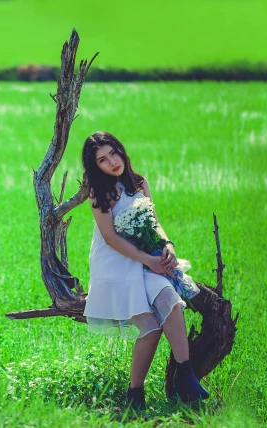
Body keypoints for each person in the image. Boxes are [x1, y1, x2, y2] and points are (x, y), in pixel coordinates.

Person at [80, 131, 210, 412]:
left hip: (144, 261)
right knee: (150, 327)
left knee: (171, 301)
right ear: (96, 167)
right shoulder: (99, 194)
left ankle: (185, 375)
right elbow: (111, 238)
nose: (112, 162)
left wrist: (168, 246)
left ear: (121, 150)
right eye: (102, 160)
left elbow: (154, 222)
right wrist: (148, 261)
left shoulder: (139, 182)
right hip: (115, 264)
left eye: (113, 153)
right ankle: (135, 395)